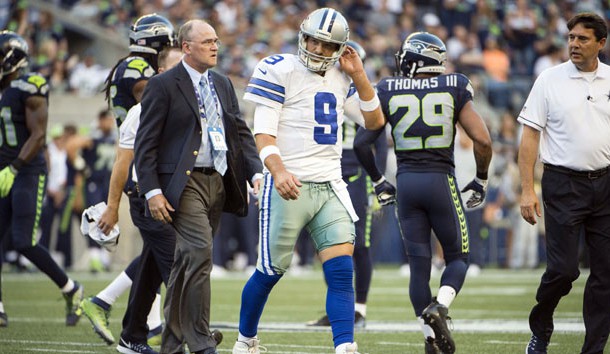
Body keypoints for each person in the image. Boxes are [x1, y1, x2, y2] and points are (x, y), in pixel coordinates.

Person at [232, 8, 384, 354]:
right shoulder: (280, 69)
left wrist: (359, 76)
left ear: (341, 49)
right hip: (289, 185)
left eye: (326, 44)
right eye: (312, 39)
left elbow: (374, 122)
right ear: (302, 36)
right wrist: (279, 170)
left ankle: (345, 345)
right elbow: (263, 132)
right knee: (270, 271)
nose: (316, 48)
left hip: (330, 184)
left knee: (342, 270)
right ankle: (245, 340)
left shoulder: (343, 76)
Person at [135, 19, 263, 354]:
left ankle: (173, 343)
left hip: (218, 181)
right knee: (198, 251)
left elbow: (239, 131)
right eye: (206, 41)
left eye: (216, 40)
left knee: (186, 263)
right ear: (186, 47)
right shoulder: (163, 85)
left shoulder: (221, 83)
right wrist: (152, 190)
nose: (215, 46)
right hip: (183, 183)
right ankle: (202, 340)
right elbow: (144, 144)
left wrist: (256, 172)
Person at [373, 32, 492, 353]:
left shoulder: (388, 88)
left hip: (406, 183)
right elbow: (482, 140)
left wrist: (376, 179)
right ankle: (439, 306)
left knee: (419, 267)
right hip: (440, 180)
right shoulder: (454, 85)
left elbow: (363, 141)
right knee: (458, 258)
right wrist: (481, 178)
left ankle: (430, 339)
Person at [79, 13, 176, 347]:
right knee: (172, 256)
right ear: (157, 44)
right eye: (168, 45)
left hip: (147, 164)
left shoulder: (133, 67)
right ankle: (185, 329)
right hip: (142, 169)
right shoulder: (138, 73)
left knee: (153, 255)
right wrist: (113, 204)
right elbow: (162, 105)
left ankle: (125, 317)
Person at [518, 12, 610, 354]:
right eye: (571, 37)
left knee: (606, 273)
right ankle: (540, 329)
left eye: (582, 38)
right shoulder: (549, 79)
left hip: (606, 184)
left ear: (601, 43)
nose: (573, 43)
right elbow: (529, 138)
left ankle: (593, 349)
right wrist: (527, 189)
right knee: (563, 269)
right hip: (562, 183)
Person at [94, 47, 184, 354]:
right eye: (177, 67)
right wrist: (111, 206)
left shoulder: (191, 102)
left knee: (149, 270)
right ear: (160, 72)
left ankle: (131, 336)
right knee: (179, 264)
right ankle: (190, 336)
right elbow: (122, 162)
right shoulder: (141, 110)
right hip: (146, 198)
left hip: (176, 197)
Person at [0, 30, 84, 328]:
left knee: (23, 240)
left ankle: (71, 288)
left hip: (26, 172)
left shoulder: (31, 85)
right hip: (2, 171)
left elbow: (38, 134)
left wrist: (13, 168)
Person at [306, 40, 392, 329]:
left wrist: (377, 180)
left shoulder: (366, 92)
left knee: (361, 244)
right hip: (326, 171)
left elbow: (379, 140)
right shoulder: (321, 85)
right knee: (326, 243)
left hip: (358, 175)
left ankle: (360, 310)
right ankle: (336, 308)